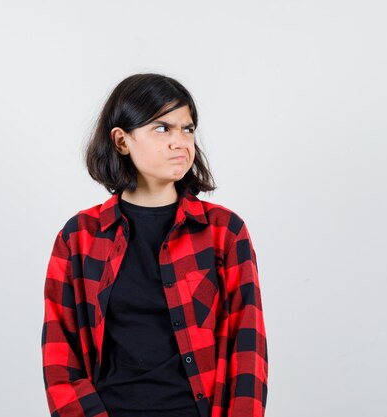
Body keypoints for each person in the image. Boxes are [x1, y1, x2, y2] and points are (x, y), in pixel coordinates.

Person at [41, 73, 268, 417]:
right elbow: (61, 356)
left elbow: (247, 346)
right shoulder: (80, 237)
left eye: (187, 128)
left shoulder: (224, 231)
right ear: (121, 141)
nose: (180, 142)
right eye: (162, 128)